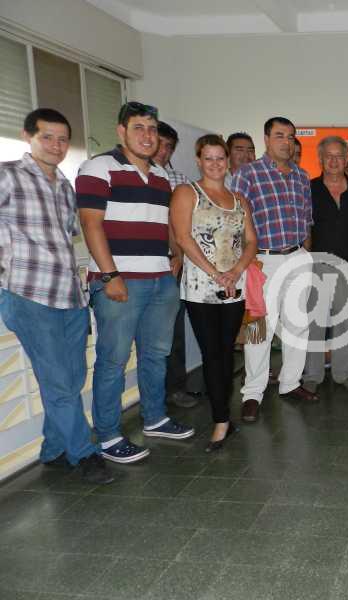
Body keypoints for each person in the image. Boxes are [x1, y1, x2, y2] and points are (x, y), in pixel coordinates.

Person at [77, 101, 194, 464]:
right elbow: (91, 224)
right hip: (120, 281)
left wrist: (175, 255)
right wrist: (110, 274)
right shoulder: (99, 167)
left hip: (160, 279)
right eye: (138, 128)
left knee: (156, 355)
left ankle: (155, 417)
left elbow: (165, 223)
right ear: (121, 131)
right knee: (113, 360)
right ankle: (109, 436)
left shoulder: (160, 175)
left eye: (152, 129)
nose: (147, 135)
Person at [0, 108, 113, 484]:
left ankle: (53, 448)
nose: (56, 145)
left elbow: (64, 239)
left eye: (63, 139)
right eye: (47, 137)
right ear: (28, 136)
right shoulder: (7, 175)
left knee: (72, 378)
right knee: (59, 383)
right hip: (28, 295)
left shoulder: (65, 186)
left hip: (69, 296)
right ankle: (84, 453)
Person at [171, 134, 257, 451]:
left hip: (234, 286)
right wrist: (216, 274)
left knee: (225, 350)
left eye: (220, 157)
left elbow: (251, 241)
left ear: (227, 161)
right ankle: (221, 420)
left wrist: (235, 272)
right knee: (212, 353)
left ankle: (224, 416)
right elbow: (183, 238)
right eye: (208, 158)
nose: (215, 163)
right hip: (201, 288)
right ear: (199, 160)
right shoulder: (186, 193)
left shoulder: (239, 200)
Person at [231, 116, 317, 422]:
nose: (286, 142)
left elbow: (306, 219)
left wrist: (306, 254)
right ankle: (253, 392)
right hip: (262, 261)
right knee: (258, 329)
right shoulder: (247, 174)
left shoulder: (302, 176)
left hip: (297, 256)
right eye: (280, 135)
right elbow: (235, 222)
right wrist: (245, 262)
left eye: (291, 137)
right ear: (266, 139)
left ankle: (290, 382)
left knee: (297, 324)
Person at [303, 136, 348, 394]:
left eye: (339, 156)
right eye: (328, 156)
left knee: (345, 320)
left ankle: (343, 373)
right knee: (316, 321)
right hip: (316, 264)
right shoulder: (309, 189)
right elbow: (304, 226)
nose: (333, 161)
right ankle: (313, 374)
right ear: (320, 159)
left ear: (346, 159)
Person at [153, 120, 202, 410]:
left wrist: (179, 255)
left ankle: (175, 388)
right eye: (160, 144)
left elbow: (187, 226)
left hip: (174, 262)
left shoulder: (180, 181)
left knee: (174, 330)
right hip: (139, 265)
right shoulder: (130, 174)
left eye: (169, 147)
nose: (163, 151)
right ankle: (152, 395)